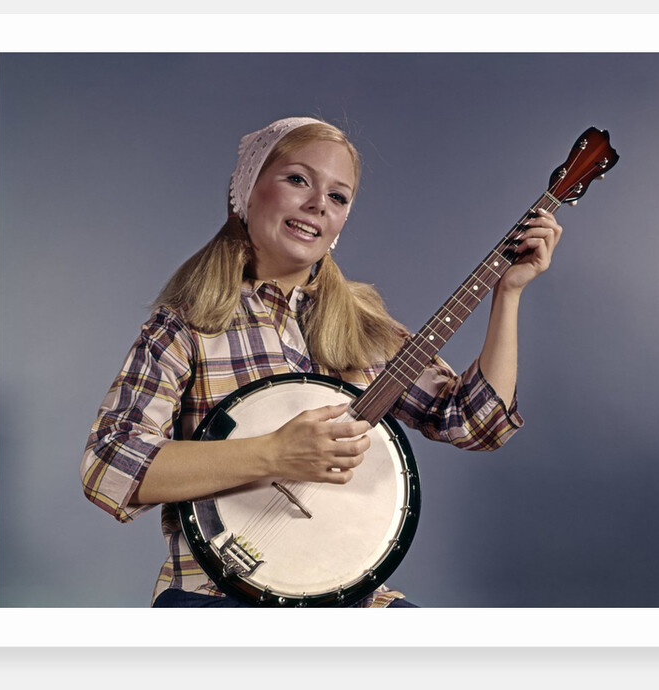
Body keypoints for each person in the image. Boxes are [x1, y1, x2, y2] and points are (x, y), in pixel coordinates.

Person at [80, 115, 562, 608]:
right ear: (247, 191)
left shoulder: (363, 327)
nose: (318, 204)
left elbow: (475, 422)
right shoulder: (187, 326)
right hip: (216, 596)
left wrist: (508, 293)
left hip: (352, 603)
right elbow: (109, 464)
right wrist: (273, 453)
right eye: (297, 179)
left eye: (338, 196)